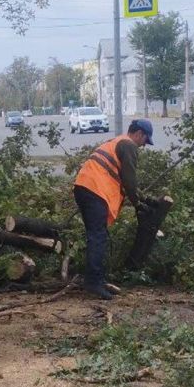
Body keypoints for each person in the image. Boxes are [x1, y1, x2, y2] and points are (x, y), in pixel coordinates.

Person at [73, 119, 154, 300]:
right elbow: (129, 180)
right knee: (98, 237)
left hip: (84, 186)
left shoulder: (117, 141)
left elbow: (124, 179)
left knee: (96, 236)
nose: (144, 145)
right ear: (139, 134)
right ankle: (93, 283)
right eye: (145, 140)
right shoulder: (129, 145)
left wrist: (142, 198)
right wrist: (138, 203)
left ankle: (97, 279)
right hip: (95, 189)